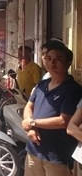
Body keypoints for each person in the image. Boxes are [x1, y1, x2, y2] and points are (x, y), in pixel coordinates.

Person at [22, 41, 82, 176]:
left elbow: (64, 121)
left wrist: (32, 123)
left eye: (58, 59)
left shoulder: (73, 90)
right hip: (34, 150)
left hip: (57, 155)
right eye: (49, 59)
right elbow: (29, 106)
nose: (52, 63)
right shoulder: (41, 85)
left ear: (68, 63)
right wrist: (31, 128)